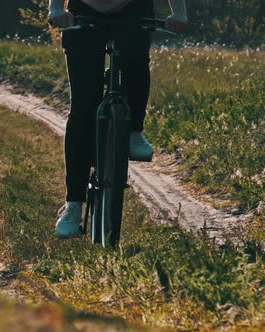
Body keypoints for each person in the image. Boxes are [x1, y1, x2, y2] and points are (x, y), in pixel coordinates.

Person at [48, 0, 188, 238]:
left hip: (133, 8)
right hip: (86, 9)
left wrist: (179, 14)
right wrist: (56, 10)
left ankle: (133, 130)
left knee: (136, 62)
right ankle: (73, 205)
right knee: (83, 108)